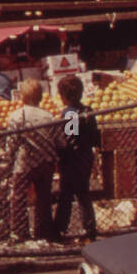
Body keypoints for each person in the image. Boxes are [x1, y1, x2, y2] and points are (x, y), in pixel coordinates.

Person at [5, 79, 59, 241]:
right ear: (41, 97)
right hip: (46, 161)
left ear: (21, 97)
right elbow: (58, 140)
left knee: (19, 197)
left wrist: (9, 156)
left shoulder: (16, 116)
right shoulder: (49, 116)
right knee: (44, 197)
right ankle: (42, 231)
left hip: (24, 162)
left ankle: (19, 231)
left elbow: (12, 142)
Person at [52, 75, 100, 242]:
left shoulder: (71, 114)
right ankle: (89, 227)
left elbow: (71, 137)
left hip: (72, 159)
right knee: (83, 194)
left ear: (63, 96)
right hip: (86, 157)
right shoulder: (88, 111)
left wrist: (60, 152)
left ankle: (60, 228)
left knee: (66, 195)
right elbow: (95, 136)